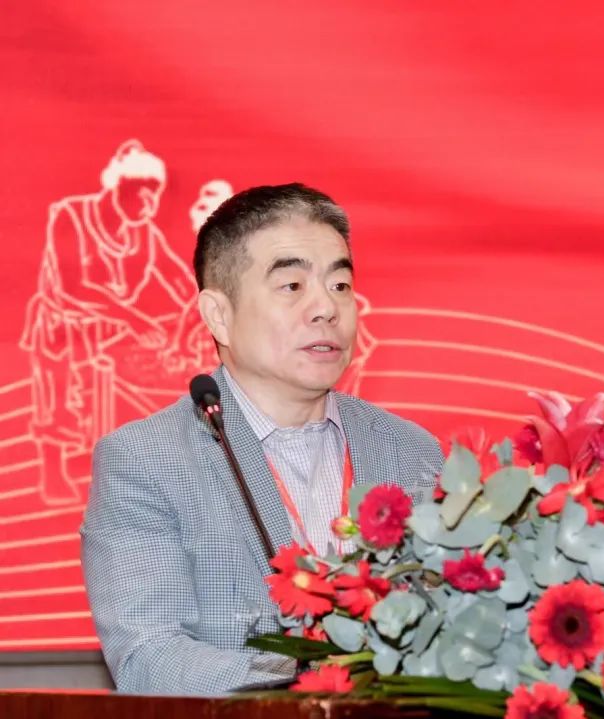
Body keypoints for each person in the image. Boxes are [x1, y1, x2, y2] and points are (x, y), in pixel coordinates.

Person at [80, 183, 444, 695]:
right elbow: (150, 658)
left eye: (340, 285)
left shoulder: (411, 452)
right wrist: (325, 682)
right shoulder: (146, 460)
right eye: (292, 285)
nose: (326, 308)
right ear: (219, 315)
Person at [20, 139, 196, 505]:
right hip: (64, 324)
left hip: (113, 332)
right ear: (118, 189)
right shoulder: (71, 215)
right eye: (142, 195)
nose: (149, 206)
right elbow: (70, 287)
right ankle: (54, 465)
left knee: (148, 376)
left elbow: (182, 283)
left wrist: (202, 309)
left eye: (155, 196)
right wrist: (134, 319)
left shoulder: (144, 233)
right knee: (59, 379)